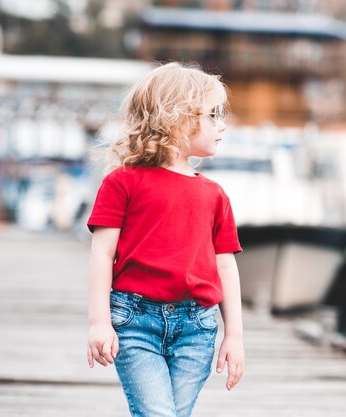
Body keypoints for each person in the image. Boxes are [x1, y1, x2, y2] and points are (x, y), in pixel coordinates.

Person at [85, 62, 244, 417]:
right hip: (134, 322)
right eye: (214, 114)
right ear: (179, 117)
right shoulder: (122, 183)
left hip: (197, 328)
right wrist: (99, 322)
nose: (222, 125)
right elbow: (101, 254)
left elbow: (225, 265)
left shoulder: (215, 195)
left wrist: (234, 335)